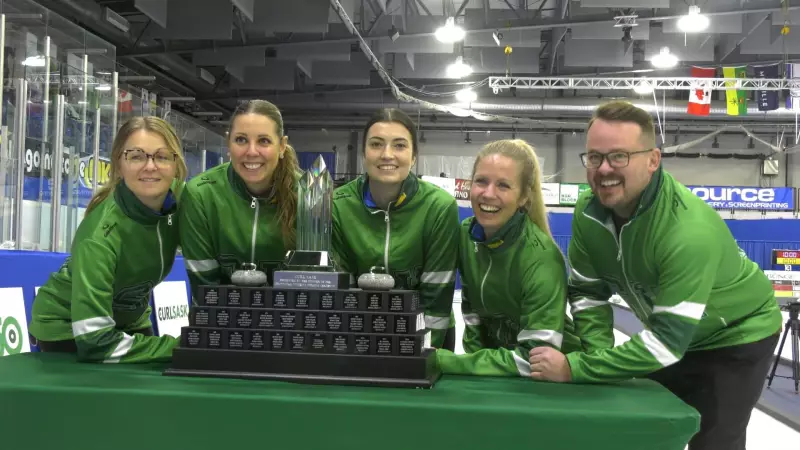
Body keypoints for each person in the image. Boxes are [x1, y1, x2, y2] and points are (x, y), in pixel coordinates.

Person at [529, 100, 782, 450]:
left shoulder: (686, 231)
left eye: (619, 156)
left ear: (652, 160)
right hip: (673, 336)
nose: (604, 169)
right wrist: (595, 363)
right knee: (643, 426)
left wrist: (576, 368)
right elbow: (588, 295)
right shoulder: (587, 213)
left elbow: (664, 344)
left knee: (712, 440)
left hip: (736, 336)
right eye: (595, 157)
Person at [28, 116, 188, 363]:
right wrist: (179, 346)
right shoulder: (100, 235)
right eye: (136, 156)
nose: (150, 166)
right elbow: (95, 341)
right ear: (119, 164)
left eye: (162, 156)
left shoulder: (181, 203)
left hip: (130, 319)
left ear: (175, 164)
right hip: (68, 327)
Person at [435, 139, 598, 376]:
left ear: (523, 197)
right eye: (481, 181)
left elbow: (535, 357)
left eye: (503, 185)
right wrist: (474, 362)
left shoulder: (541, 257)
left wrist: (446, 361)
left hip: (553, 380)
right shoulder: (466, 235)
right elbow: (472, 312)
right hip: (501, 370)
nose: (488, 194)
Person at [332, 108, 459, 350]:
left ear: (413, 157)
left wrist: (426, 355)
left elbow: (437, 296)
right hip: (362, 330)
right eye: (376, 144)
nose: (387, 155)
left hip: (429, 330)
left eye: (399, 146)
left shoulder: (440, 207)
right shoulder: (337, 204)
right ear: (363, 153)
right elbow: (342, 291)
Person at [180, 100, 300, 298]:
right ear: (228, 143)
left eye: (264, 141)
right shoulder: (200, 195)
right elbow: (205, 290)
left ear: (282, 146)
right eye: (241, 140)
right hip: (222, 320)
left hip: (288, 321)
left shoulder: (308, 195)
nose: (251, 152)